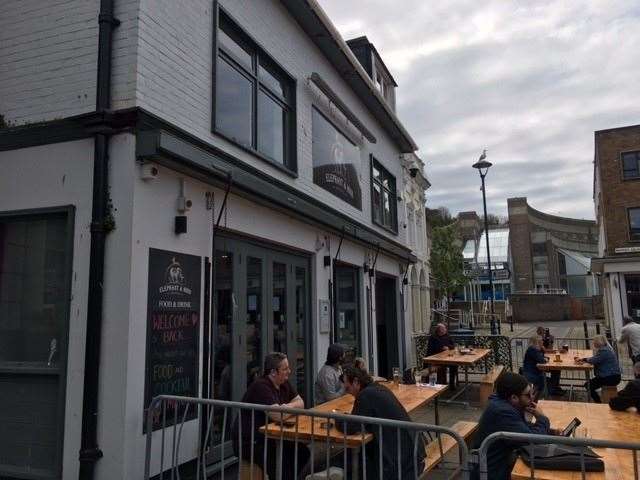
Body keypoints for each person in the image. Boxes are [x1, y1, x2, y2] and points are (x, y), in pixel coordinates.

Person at [335, 366, 425, 479]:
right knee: (356, 453)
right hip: (412, 451)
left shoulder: (365, 395)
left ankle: (336, 469)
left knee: (359, 458)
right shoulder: (378, 388)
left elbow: (351, 427)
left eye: (348, 389)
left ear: (356, 382)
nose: (348, 393)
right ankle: (336, 468)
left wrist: (336, 418)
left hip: (401, 462)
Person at [233, 352, 309, 480]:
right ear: (273, 372)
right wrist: (286, 410)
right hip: (251, 441)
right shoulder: (261, 386)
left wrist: (286, 407)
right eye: (285, 369)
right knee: (282, 466)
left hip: (271, 437)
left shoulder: (284, 383)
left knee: (303, 453)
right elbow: (277, 416)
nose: (289, 371)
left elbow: (301, 403)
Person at [472, 372, 553, 480]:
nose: (532, 399)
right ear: (514, 397)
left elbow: (520, 428)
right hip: (492, 473)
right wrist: (542, 418)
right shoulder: (503, 412)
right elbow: (533, 441)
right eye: (528, 395)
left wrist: (551, 431)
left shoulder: (503, 403)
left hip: (496, 466)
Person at [578, 335, 621, 403]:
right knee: (589, 384)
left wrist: (584, 359)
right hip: (613, 376)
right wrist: (586, 359)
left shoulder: (604, 351)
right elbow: (596, 358)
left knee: (588, 385)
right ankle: (598, 401)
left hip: (610, 377)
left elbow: (594, 360)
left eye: (594, 342)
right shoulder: (607, 348)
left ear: (597, 343)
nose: (593, 343)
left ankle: (598, 402)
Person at [426, 323, 458, 389]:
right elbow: (431, 349)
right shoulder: (433, 337)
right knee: (441, 367)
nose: (445, 330)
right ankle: (442, 384)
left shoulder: (447, 336)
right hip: (436, 359)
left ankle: (452, 384)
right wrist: (441, 348)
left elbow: (453, 346)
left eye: (445, 328)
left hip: (447, 358)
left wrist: (448, 347)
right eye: (444, 329)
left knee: (454, 365)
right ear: (439, 330)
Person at [536, 326, 564, 395]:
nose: (543, 335)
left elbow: (549, 350)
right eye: (542, 333)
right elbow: (545, 351)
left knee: (557, 369)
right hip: (537, 366)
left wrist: (550, 340)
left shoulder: (544, 340)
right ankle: (553, 389)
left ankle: (555, 387)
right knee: (555, 369)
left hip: (542, 363)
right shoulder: (537, 342)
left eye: (544, 333)